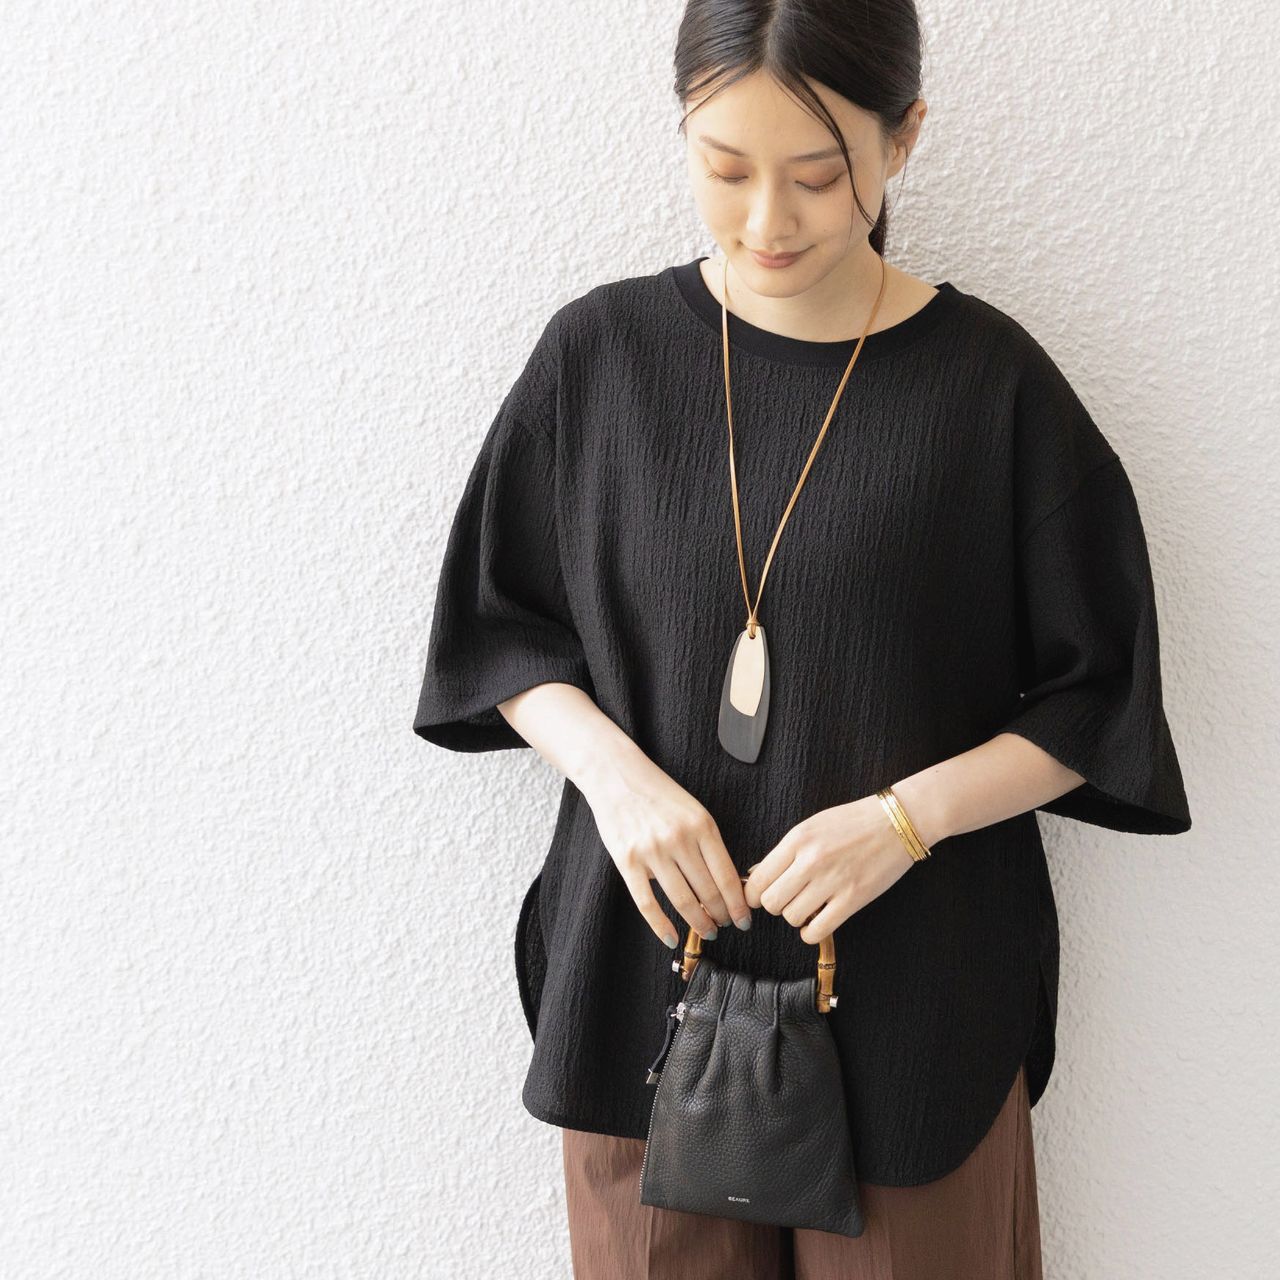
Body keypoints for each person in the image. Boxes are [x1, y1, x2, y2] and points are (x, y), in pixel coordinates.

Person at [412, 1, 1192, 1274]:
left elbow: (1097, 700)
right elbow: (496, 629)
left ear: (902, 140)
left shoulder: (989, 389)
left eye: (818, 177)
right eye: (723, 169)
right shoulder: (599, 359)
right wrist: (617, 784)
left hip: (921, 1008)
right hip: (644, 998)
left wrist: (903, 819)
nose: (767, 220)